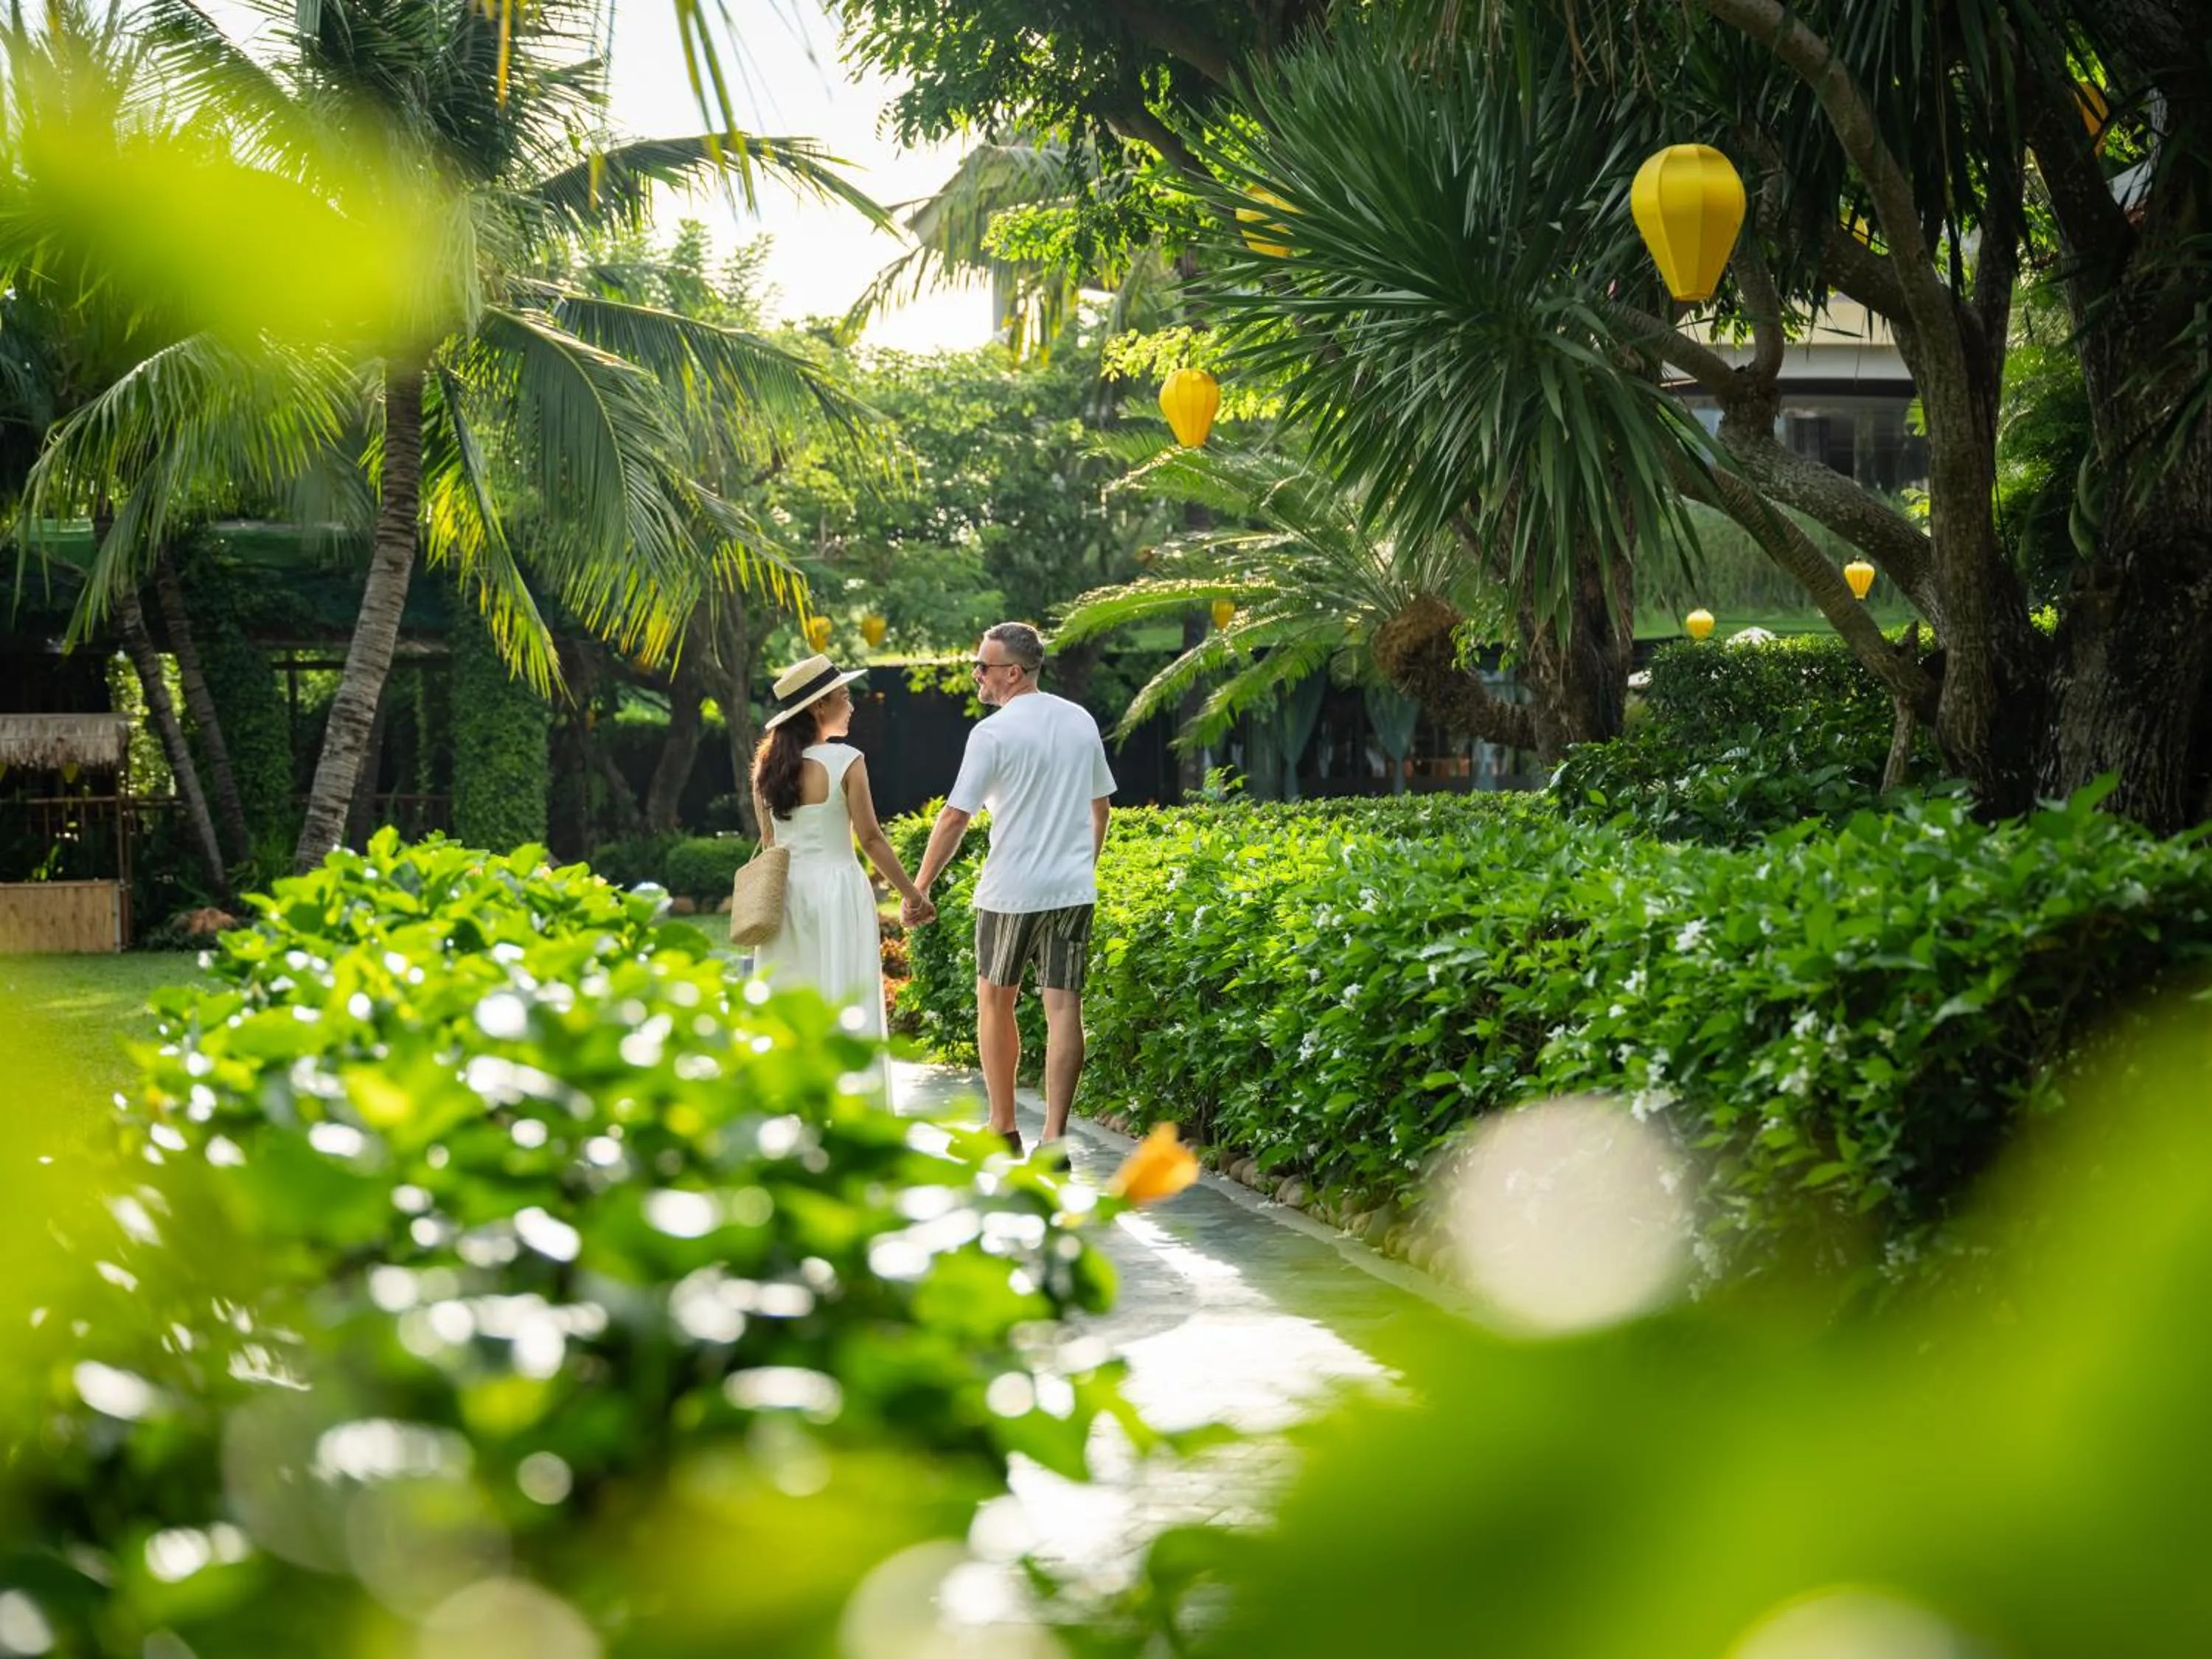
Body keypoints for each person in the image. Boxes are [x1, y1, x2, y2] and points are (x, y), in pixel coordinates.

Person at [907, 623, 1116, 1157]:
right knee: (1065, 1008)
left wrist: (920, 888)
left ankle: (1002, 1127)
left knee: (995, 1001)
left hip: (1011, 891)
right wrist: (1079, 867)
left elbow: (955, 817)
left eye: (983, 666)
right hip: (1072, 889)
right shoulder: (1079, 720)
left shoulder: (993, 734)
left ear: (1013, 673)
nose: (976, 674)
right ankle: (1055, 1141)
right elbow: (1102, 808)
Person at [750, 653, 931, 1103]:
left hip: (785, 895)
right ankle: (852, 1107)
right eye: (845, 697)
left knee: (789, 997)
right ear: (818, 707)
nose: (852, 706)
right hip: (838, 892)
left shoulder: (766, 770)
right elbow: (871, 839)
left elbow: (770, 841)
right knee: (845, 995)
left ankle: (788, 1104)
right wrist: (913, 896)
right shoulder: (847, 760)